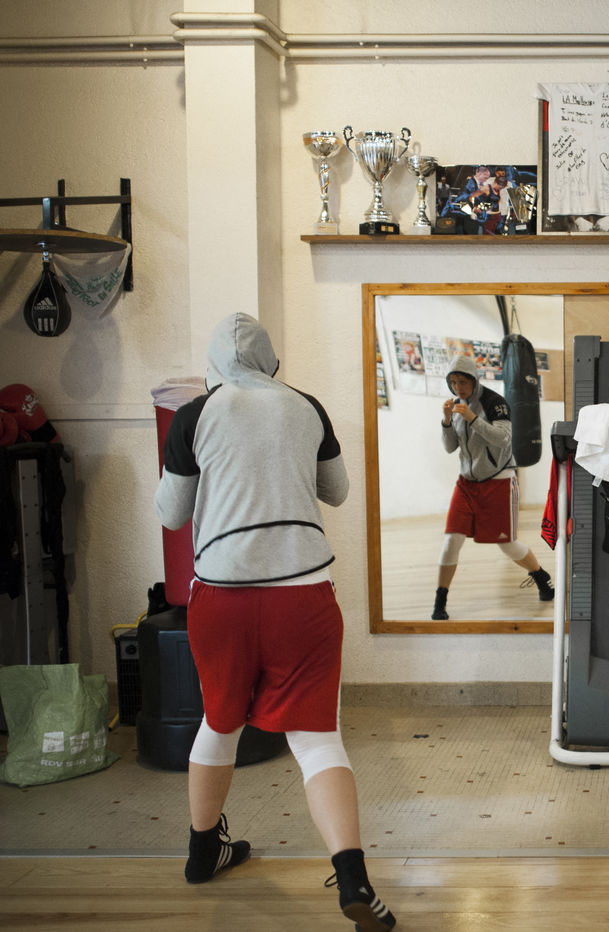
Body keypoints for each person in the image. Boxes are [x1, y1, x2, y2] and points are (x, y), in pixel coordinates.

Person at [154, 312, 395, 932]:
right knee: (317, 740)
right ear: (272, 362)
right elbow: (336, 491)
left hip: (222, 600)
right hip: (302, 597)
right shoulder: (305, 405)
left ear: (214, 365)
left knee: (219, 723)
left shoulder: (194, 415)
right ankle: (353, 879)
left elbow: (172, 512)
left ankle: (202, 854)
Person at [433, 353, 553, 620]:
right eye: (453, 383)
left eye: (463, 382)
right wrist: (446, 422)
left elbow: (504, 439)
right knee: (451, 540)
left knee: (507, 546)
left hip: (498, 480)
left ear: (474, 380)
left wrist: (473, 419)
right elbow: (450, 447)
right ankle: (440, 603)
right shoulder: (456, 406)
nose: (458, 388)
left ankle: (540, 576)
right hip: (466, 484)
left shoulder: (494, 403)